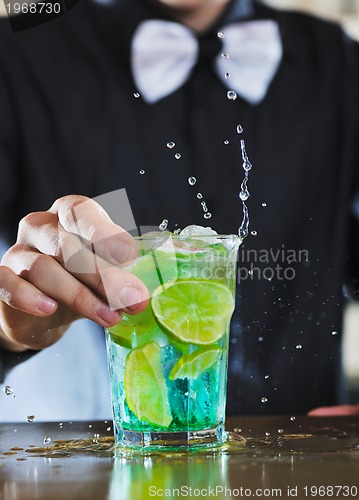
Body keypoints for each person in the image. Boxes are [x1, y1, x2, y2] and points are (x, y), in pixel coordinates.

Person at [0, 0, 358, 421]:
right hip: (77, 471)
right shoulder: (17, 57)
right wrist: (10, 329)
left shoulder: (339, 64)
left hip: (304, 469)